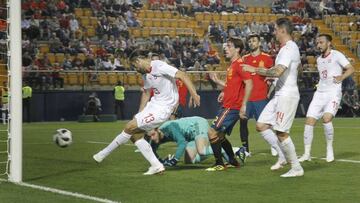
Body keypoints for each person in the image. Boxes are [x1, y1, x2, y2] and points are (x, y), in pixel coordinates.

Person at [93, 50, 200, 175]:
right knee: (135, 135)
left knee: (129, 127)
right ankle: (157, 166)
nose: (135, 69)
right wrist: (139, 112)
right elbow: (146, 92)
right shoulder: (145, 74)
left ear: (139, 60)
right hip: (153, 105)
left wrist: (194, 94)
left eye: (134, 66)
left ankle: (103, 154)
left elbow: (182, 75)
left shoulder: (159, 66)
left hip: (163, 109)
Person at [242, 17, 304, 177]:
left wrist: (255, 69)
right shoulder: (288, 49)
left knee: (281, 132)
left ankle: (296, 168)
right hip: (279, 93)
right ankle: (282, 155)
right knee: (261, 125)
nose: (274, 32)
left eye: (276, 29)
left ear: (283, 30)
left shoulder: (289, 48)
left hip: (287, 95)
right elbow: (298, 68)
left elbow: (277, 71)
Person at [298, 34, 355, 163]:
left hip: (333, 92)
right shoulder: (319, 59)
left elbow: (350, 69)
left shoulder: (337, 55)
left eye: (321, 42)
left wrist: (341, 77)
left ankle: (329, 149)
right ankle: (307, 154)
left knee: (326, 118)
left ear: (329, 43)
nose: (318, 45)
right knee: (309, 121)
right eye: (317, 43)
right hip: (320, 93)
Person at [205, 36, 253, 172]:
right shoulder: (232, 65)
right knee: (220, 136)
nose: (226, 48)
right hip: (229, 104)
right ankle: (232, 161)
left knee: (212, 133)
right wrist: (221, 86)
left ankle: (219, 163)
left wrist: (244, 104)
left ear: (237, 49)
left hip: (232, 106)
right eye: (226, 46)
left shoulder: (240, 64)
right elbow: (232, 85)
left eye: (229, 46)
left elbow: (249, 83)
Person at [235, 33, 279, 161]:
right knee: (243, 123)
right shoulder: (244, 59)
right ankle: (246, 149)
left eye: (254, 41)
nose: (251, 43)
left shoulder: (267, 58)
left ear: (259, 43)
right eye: (249, 41)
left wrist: (269, 91)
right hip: (247, 98)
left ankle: (274, 145)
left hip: (260, 97)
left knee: (266, 124)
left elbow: (273, 76)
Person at [148, 116, 231, 166]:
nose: (152, 138)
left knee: (202, 151)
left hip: (198, 124)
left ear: (157, 130)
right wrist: (160, 160)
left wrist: (175, 159)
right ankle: (216, 151)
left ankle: (226, 150)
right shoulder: (156, 136)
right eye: (150, 136)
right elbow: (151, 149)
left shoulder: (169, 127)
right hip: (190, 135)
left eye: (153, 135)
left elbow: (182, 143)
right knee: (190, 160)